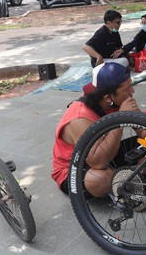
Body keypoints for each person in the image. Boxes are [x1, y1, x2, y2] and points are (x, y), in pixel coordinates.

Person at [51, 63, 139, 196]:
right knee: (101, 180)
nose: (132, 91)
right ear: (107, 97)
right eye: (127, 89)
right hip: (74, 169)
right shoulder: (79, 118)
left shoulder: (115, 101)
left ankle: (125, 176)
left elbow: (145, 131)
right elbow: (97, 162)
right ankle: (122, 182)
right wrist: (120, 119)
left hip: (105, 152)